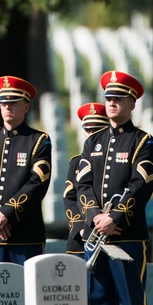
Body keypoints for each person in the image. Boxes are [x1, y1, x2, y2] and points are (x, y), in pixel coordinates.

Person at [76, 71, 153, 305]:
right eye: (109, 98)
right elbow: (82, 184)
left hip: (128, 238)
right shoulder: (93, 142)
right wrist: (95, 216)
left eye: (119, 98)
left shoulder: (142, 141)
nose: (112, 103)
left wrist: (116, 217)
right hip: (96, 237)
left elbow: (141, 183)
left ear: (132, 104)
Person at [0, 75, 52, 265]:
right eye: (3, 103)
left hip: (25, 234)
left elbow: (37, 182)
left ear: (26, 106)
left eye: (14, 102)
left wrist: (6, 213)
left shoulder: (38, 141)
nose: (8, 107)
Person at [64, 102, 109, 256]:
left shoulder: (112, 162)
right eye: (87, 129)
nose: (91, 134)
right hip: (80, 239)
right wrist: (81, 228)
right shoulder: (76, 162)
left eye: (96, 129)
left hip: (108, 233)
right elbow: (69, 198)